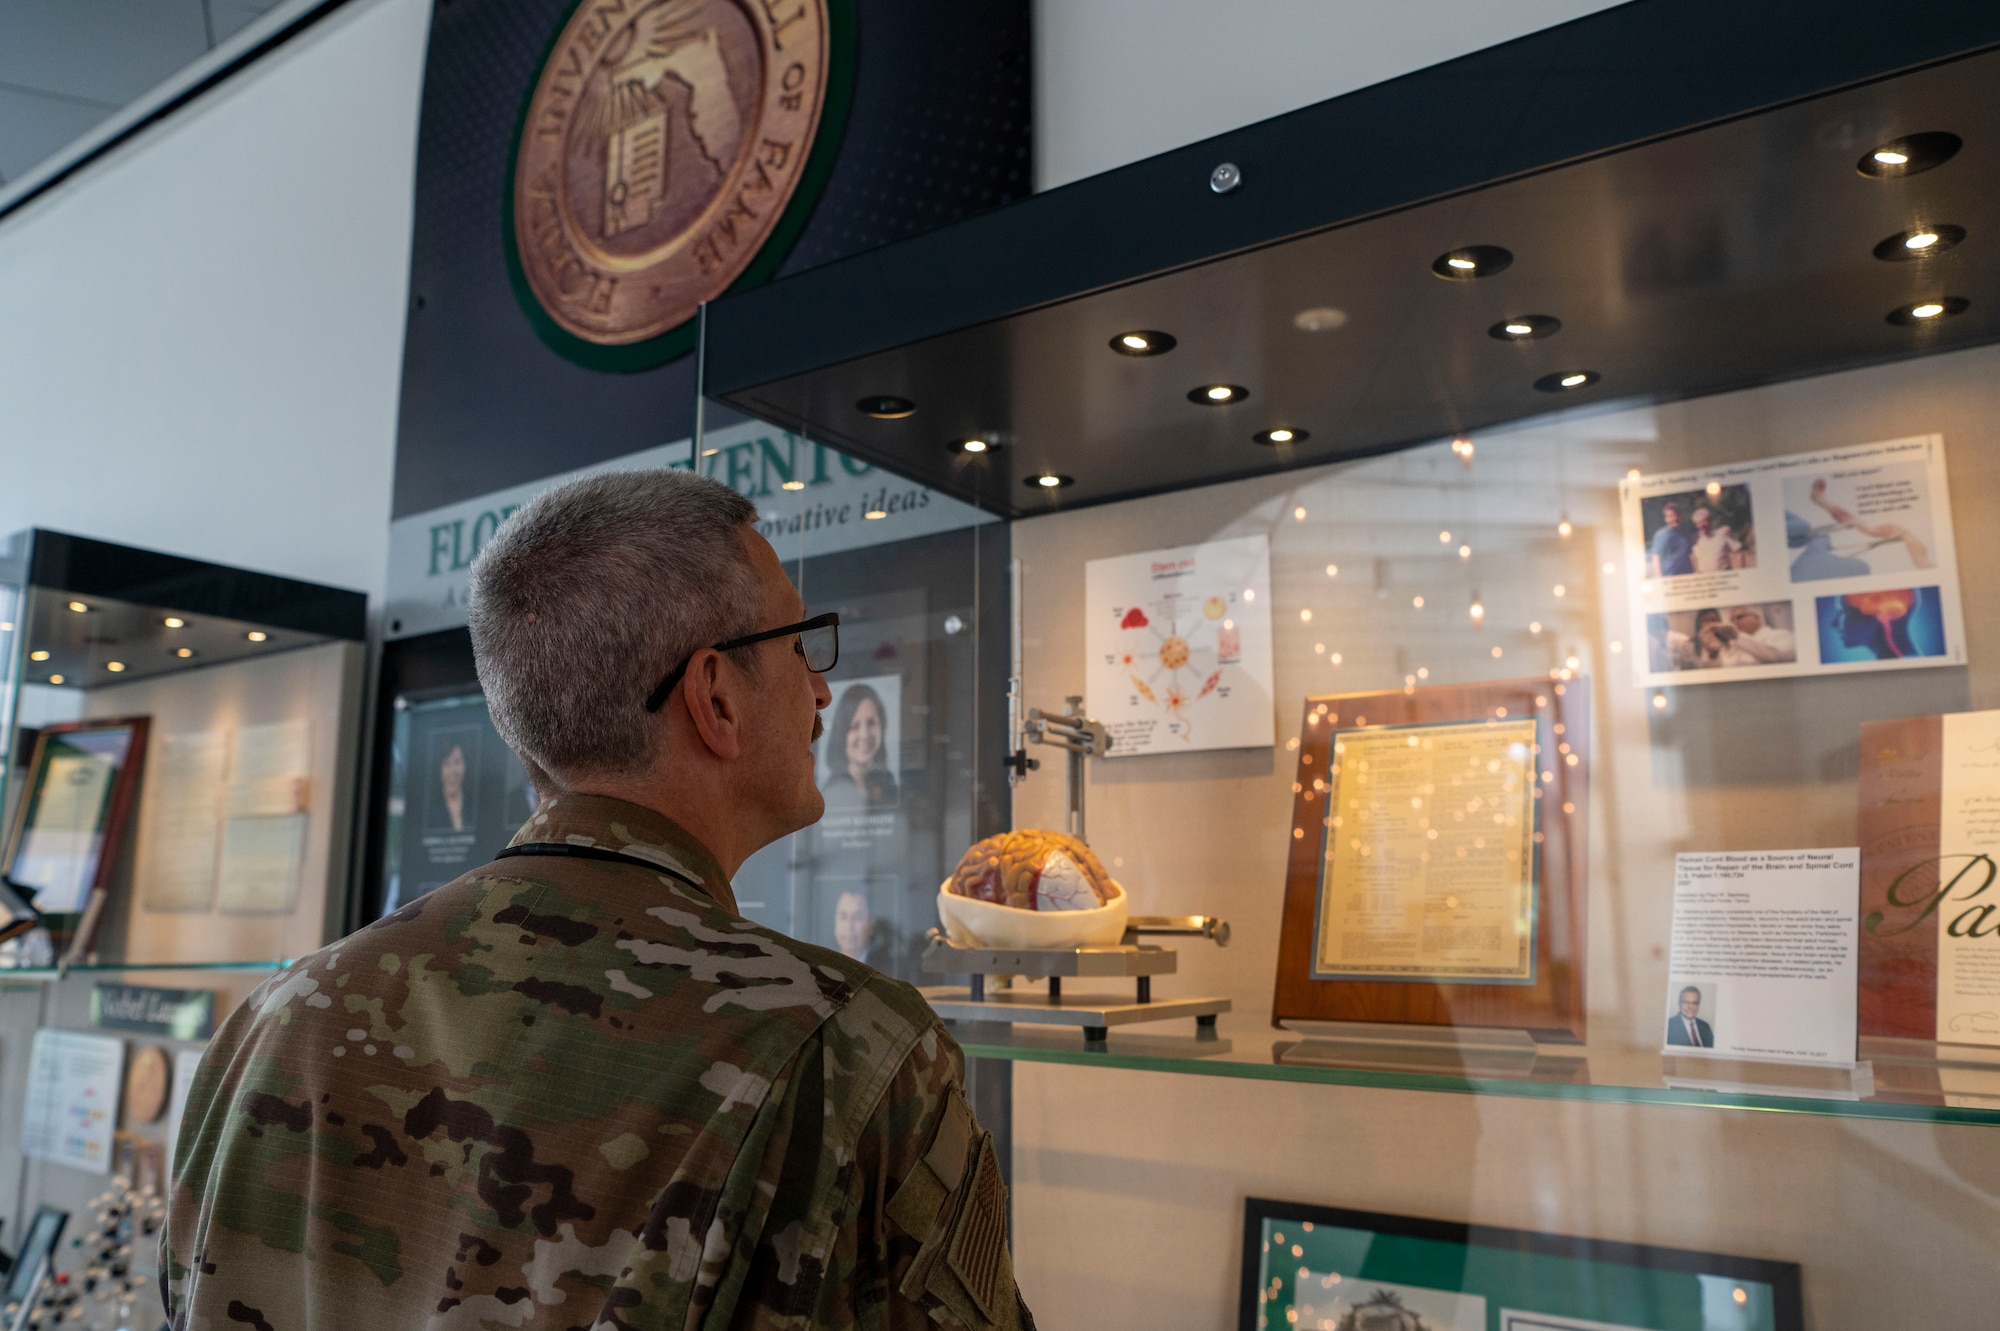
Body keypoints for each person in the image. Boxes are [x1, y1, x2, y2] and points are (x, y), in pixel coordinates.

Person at [165, 470, 1032, 1331]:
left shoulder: (275, 1021)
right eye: (804, 645)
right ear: (716, 696)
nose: (822, 692)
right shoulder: (847, 1048)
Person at [824, 683, 899, 809]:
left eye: (871, 723)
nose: (864, 735)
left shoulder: (893, 791)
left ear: (882, 727)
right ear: (841, 734)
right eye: (854, 726)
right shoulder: (828, 798)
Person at [1711, 604, 1795, 667]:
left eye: (1740, 617)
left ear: (1756, 617)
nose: (1735, 622)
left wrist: (1738, 637)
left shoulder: (1781, 634)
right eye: (1732, 620)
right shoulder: (1733, 644)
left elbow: (1781, 657)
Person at [1686, 505, 1743, 573]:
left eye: (1703, 522)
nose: (1700, 526)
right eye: (1697, 523)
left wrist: (1741, 572)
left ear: (1710, 521)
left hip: (1724, 575)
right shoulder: (1695, 539)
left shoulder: (1721, 534)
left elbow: (1739, 551)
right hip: (1705, 578)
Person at [1647, 500, 1694, 578]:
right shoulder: (1660, 535)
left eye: (1677, 515)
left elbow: (1691, 555)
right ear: (1666, 518)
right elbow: (1656, 558)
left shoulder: (1686, 532)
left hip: (1686, 577)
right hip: (1669, 577)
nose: (1675, 518)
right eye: (1671, 516)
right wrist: (1660, 578)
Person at [834, 888, 876, 963]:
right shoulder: (821, 967)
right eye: (843, 917)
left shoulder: (887, 970)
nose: (849, 925)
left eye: (857, 917)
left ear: (871, 925)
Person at [437, 740, 468, 831]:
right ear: (440, 769)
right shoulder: (429, 811)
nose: (453, 770)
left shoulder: (475, 805)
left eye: (457, 762)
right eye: (447, 763)